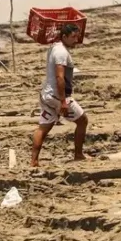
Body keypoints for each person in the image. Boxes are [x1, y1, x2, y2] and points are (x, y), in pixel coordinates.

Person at [31, 24, 88, 167]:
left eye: (77, 36)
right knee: (82, 121)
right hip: (57, 97)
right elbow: (59, 77)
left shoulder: (54, 47)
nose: (76, 40)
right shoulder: (61, 52)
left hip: (47, 95)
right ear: (64, 36)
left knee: (43, 127)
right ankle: (79, 155)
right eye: (73, 37)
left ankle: (34, 161)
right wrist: (63, 101)